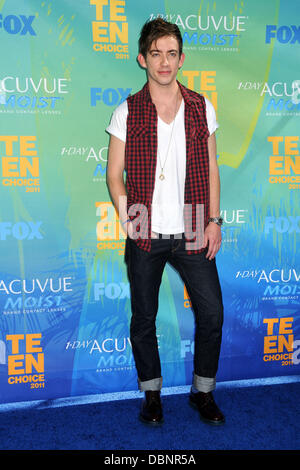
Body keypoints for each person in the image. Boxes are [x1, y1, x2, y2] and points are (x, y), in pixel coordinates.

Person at [106, 18, 224, 426]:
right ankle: (152, 395)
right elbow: (113, 174)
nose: (164, 62)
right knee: (144, 317)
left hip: (194, 224)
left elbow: (211, 166)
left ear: (181, 58)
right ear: (142, 58)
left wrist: (213, 220)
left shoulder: (200, 106)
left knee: (212, 314)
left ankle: (203, 393)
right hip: (146, 231)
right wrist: (130, 218)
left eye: (171, 53)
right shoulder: (127, 110)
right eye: (156, 53)